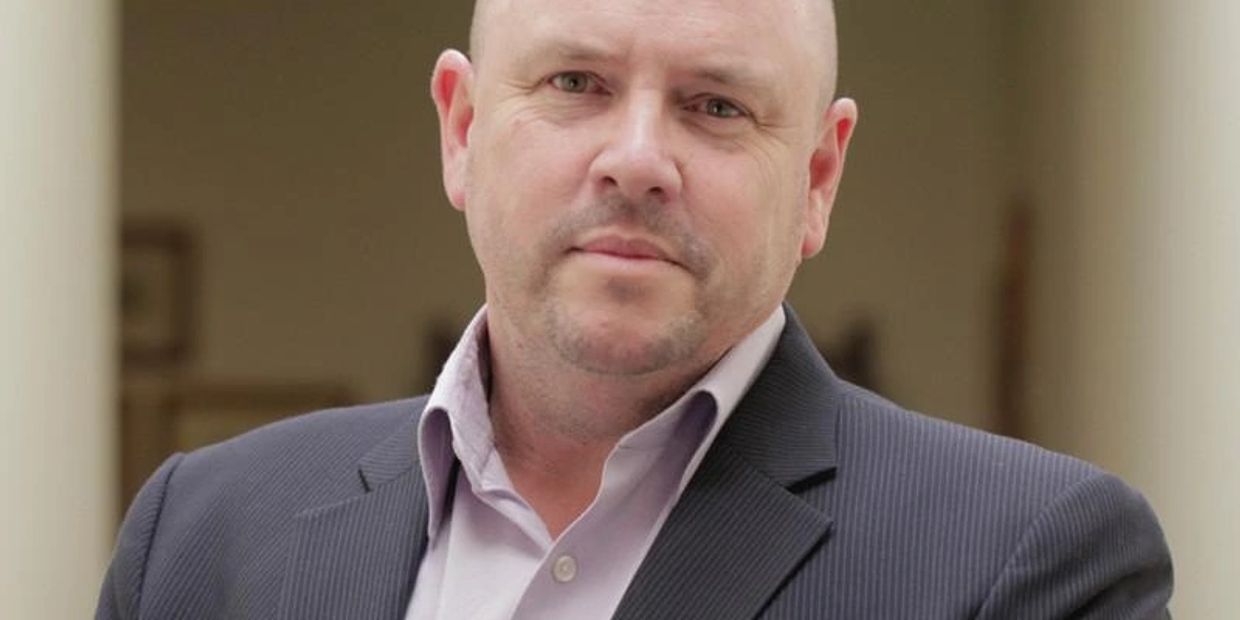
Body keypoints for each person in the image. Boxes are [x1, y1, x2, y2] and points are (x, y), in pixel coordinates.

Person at [96, 0, 1174, 618]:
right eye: (575, 83)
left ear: (818, 177)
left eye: (715, 105)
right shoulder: (201, 533)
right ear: (462, 129)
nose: (638, 159)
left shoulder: (1030, 565)